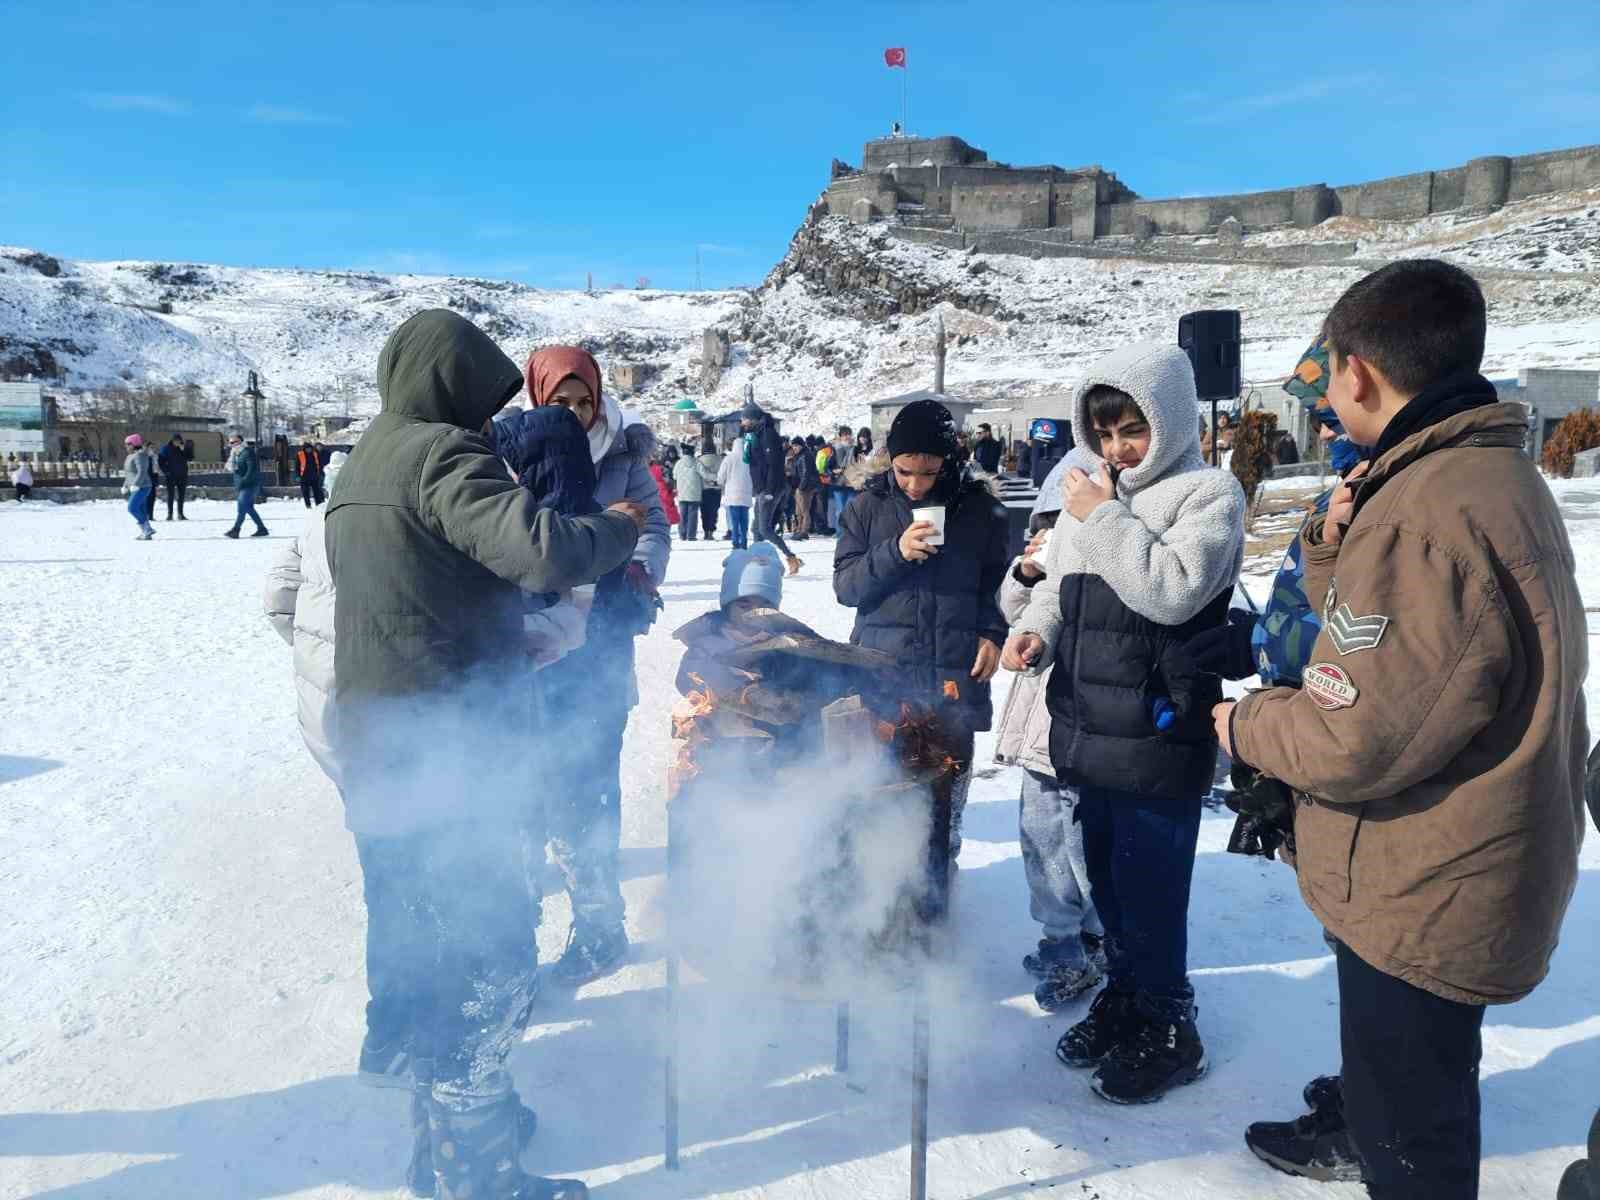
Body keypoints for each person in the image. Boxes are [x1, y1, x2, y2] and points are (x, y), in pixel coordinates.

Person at [1214, 261, 1589, 1200]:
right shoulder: (1478, 476)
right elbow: (1417, 661)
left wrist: (1244, 723)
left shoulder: (1426, 515)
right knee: (1397, 1079)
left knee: (1414, 1136)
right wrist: (1335, 544)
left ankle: (1383, 1148)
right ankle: (1362, 1123)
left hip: (1430, 875)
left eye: (1330, 376)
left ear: (1359, 373)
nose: (1329, 400)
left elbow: (1357, 735)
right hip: (1449, 858)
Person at [327, 311, 644, 1200]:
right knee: (485, 953)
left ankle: (461, 1127)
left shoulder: (365, 460)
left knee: (429, 943)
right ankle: (480, 1175)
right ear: (455, 385)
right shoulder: (440, 454)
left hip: (385, 742)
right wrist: (614, 528)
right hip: (448, 747)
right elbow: (536, 551)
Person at [1001, 341, 1246, 1105]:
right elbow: (1059, 594)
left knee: (1151, 890)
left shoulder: (1207, 495)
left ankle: (1172, 1023)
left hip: (1157, 727)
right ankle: (1128, 997)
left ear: (1170, 421)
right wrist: (1034, 626)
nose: (1116, 449)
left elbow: (1170, 591)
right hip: (1084, 729)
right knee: (1104, 882)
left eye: (1131, 430)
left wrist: (1103, 513)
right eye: (1104, 434)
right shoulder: (1092, 496)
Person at [501, 344, 672, 986]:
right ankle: (513, 933)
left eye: (584, 401)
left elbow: (653, 524)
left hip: (601, 643)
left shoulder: (625, 455)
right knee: (524, 792)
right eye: (560, 403)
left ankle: (600, 930)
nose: (574, 415)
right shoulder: (512, 452)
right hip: (533, 643)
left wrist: (636, 561)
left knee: (590, 791)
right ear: (539, 398)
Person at [834, 397, 1010, 892]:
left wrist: (993, 634)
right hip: (881, 680)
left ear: (949, 461)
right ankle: (874, 909)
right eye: (905, 470)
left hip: (953, 678)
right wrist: (896, 551)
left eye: (928, 472)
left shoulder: (982, 511)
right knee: (877, 799)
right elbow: (846, 588)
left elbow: (998, 589)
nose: (914, 483)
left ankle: (935, 913)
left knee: (942, 812)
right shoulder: (866, 508)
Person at [994, 447, 1106, 1012]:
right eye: (1045, 524)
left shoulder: (1102, 554)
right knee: (1040, 842)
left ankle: (1087, 938)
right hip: (1040, 728)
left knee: (1080, 844)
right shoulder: (1042, 555)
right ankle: (1060, 938)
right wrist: (1026, 571)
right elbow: (1011, 607)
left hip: (1083, 724)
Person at [744, 400, 802, 575]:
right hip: (763, 487)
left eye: (745, 419)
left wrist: (769, 491)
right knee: (756, 528)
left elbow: (773, 465)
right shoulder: (757, 435)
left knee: (764, 529)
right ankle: (757, 561)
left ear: (754, 419)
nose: (743, 423)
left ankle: (791, 557)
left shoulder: (768, 435)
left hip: (771, 488)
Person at [223, 434, 269, 538]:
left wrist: (243, 481)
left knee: (242, 507)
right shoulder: (235, 454)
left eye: (234, 442)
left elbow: (251, 469)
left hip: (249, 485)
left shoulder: (247, 452)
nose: (232, 445)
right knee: (248, 508)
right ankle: (262, 529)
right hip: (242, 485)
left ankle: (236, 529)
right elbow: (234, 468)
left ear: (240, 441)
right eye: (230, 443)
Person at [718, 434, 753, 549]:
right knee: (744, 520)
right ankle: (744, 541)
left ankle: (735, 542)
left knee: (734, 520)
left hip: (732, 495)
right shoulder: (749, 459)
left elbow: (721, 476)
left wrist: (720, 482)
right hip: (746, 494)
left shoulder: (729, 458)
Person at [123, 434, 156, 540]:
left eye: (128, 444)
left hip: (143, 486)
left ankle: (147, 529)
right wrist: (125, 485)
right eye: (126, 444)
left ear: (134, 444)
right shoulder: (129, 456)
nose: (126, 446)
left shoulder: (140, 455)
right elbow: (129, 473)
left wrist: (136, 484)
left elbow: (142, 472)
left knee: (132, 508)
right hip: (135, 486)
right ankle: (146, 532)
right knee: (141, 509)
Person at [826, 424, 858, 533]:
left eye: (848, 434)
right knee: (840, 510)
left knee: (851, 510)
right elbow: (828, 467)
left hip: (852, 484)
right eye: (844, 435)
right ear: (840, 437)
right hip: (838, 484)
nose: (847, 437)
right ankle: (840, 532)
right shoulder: (835, 449)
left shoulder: (855, 449)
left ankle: (851, 532)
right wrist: (834, 471)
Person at [788, 435, 819, 540]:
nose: (794, 448)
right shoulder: (799, 455)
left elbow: (806, 473)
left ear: (801, 445)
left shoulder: (805, 455)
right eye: (793, 446)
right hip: (801, 486)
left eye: (796, 446)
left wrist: (801, 487)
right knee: (798, 511)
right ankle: (799, 529)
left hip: (806, 487)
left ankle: (804, 531)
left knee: (804, 510)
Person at [157, 434, 192, 520]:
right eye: (176, 441)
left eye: (179, 441)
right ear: (172, 440)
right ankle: (170, 514)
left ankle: (180, 514)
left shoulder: (183, 447)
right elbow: (160, 461)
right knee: (171, 495)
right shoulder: (166, 448)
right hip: (171, 476)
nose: (177, 442)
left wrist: (184, 450)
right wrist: (166, 472)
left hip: (182, 475)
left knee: (181, 495)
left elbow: (190, 458)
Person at [672, 443, 703, 540]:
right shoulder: (696, 463)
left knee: (683, 514)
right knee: (693, 514)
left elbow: (674, 476)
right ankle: (691, 535)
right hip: (694, 493)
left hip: (682, 492)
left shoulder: (679, 463)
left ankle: (682, 534)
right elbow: (704, 474)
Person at [697, 437, 723, 539]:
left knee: (704, 511)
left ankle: (705, 531)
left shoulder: (699, 460)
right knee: (714, 511)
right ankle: (711, 531)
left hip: (704, 489)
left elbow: (699, 474)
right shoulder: (719, 459)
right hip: (716, 489)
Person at [297, 438, 326, 508]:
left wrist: (320, 472)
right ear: (304, 449)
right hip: (304, 477)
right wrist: (297, 475)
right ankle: (308, 504)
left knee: (317, 491)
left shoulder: (315, 454)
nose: (308, 450)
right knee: (305, 492)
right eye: (307, 448)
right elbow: (297, 466)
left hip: (314, 476)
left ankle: (318, 504)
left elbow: (319, 464)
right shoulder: (300, 455)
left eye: (309, 448)